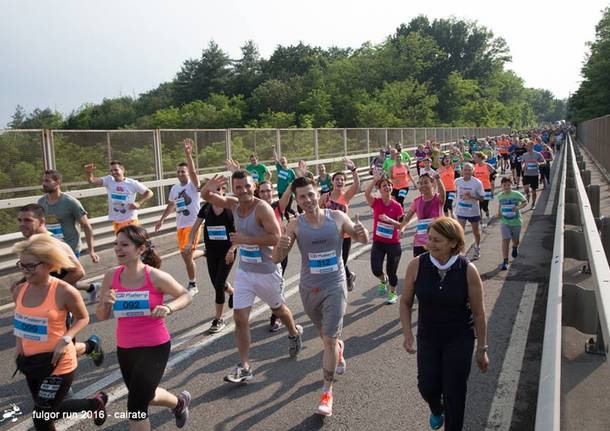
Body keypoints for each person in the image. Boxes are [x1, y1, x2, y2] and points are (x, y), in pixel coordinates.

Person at [272, 176, 369, 417]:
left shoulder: (336, 217)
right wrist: (280, 245)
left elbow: (358, 237)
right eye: (301, 196)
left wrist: (362, 232)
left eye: (310, 194)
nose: (307, 200)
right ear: (297, 199)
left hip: (335, 285)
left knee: (327, 340)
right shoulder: (294, 224)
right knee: (326, 336)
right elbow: (276, 258)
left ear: (319, 193)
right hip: (309, 289)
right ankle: (338, 347)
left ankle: (327, 390)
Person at [201, 170, 303, 384]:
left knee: (278, 309)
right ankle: (245, 366)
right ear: (234, 189)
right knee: (240, 318)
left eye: (247, 186)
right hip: (245, 272)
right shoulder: (234, 204)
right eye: (238, 187)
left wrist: (245, 239)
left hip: (267, 271)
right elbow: (207, 197)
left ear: (253, 186)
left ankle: (294, 332)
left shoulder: (262, 208)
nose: (243, 191)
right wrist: (209, 184)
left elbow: (276, 238)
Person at [95, 226, 192, 430]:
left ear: (140, 249)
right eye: (116, 244)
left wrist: (168, 307)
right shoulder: (111, 276)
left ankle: (177, 404)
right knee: (146, 395)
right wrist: (105, 302)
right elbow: (102, 316)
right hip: (125, 347)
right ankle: (178, 403)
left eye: (124, 245)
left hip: (154, 346)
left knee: (136, 405)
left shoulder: (154, 276)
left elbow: (185, 295)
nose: (118, 249)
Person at [399, 217, 489, 431]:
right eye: (429, 239)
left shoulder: (467, 270)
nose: (430, 244)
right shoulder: (417, 265)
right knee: (427, 387)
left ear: (453, 242)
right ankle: (437, 409)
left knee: (455, 393)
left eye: (437, 240)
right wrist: (407, 334)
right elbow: (405, 301)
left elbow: (478, 313)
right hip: (429, 336)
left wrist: (482, 349)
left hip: (460, 338)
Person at [12, 233, 108, 430]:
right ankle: (93, 404)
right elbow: (21, 323)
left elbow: (83, 317)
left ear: (48, 264)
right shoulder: (19, 290)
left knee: (41, 417)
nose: (26, 271)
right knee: (48, 410)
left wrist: (66, 338)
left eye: (31, 266)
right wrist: (18, 350)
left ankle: (93, 404)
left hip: (58, 364)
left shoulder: (64, 291)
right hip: (30, 363)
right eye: (22, 266)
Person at [16, 204, 104, 366]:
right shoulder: (31, 243)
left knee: (59, 348)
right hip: (40, 305)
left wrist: (53, 293)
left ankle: (86, 350)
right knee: (46, 347)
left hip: (58, 307)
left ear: (41, 221)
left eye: (28, 220)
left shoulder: (53, 244)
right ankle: (89, 348)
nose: (22, 224)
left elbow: (78, 272)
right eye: (20, 220)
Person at [38, 169, 101, 302]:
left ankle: (68, 311)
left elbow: (86, 226)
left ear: (58, 182)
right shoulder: (41, 203)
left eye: (47, 181)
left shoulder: (70, 202)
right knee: (59, 281)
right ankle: (91, 288)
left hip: (70, 249)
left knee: (61, 283)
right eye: (43, 181)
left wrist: (91, 250)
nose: (44, 184)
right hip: (51, 249)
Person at [154, 139, 204, 295]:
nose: (181, 173)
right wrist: (162, 219)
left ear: (187, 173)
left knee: (187, 254)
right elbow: (171, 205)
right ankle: (203, 252)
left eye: (183, 171)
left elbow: (195, 173)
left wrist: (188, 155)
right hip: (180, 225)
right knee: (185, 256)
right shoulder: (175, 188)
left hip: (193, 224)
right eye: (179, 172)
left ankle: (193, 284)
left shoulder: (192, 185)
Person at [186, 180, 235, 334]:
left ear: (223, 191)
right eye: (212, 190)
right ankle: (233, 292)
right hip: (212, 252)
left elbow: (239, 233)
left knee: (219, 284)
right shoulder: (206, 208)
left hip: (227, 252)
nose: (215, 192)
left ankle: (218, 319)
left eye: (218, 189)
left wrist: (232, 249)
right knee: (216, 283)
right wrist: (189, 242)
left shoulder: (229, 209)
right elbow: (195, 227)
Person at [256, 180, 292, 332]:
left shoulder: (278, 206)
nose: (266, 194)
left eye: (268, 190)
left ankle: (276, 316)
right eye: (262, 191)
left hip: (279, 251)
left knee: (277, 285)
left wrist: (294, 181)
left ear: (273, 192)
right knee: (264, 286)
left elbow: (288, 194)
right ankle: (278, 310)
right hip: (262, 254)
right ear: (258, 193)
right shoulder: (255, 208)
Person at [320, 158, 360, 291]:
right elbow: (316, 211)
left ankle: (343, 283)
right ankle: (346, 278)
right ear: (332, 182)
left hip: (344, 235)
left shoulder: (345, 196)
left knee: (341, 261)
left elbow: (357, 186)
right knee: (335, 262)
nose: (339, 181)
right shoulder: (325, 197)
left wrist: (353, 170)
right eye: (337, 179)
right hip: (328, 234)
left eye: (342, 180)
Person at [364, 171, 404, 305]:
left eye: (388, 185)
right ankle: (383, 280)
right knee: (376, 269)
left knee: (391, 272)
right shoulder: (376, 202)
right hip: (378, 242)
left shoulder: (397, 206)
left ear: (392, 188)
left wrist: (389, 220)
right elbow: (366, 194)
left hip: (393, 243)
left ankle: (392, 293)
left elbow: (401, 225)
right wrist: (374, 180)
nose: (387, 187)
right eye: (384, 186)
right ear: (380, 189)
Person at [85, 160, 154, 234]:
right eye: (111, 171)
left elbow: (149, 193)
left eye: (116, 170)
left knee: (131, 242)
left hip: (130, 220)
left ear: (123, 170)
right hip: (116, 220)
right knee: (123, 242)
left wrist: (139, 203)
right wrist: (89, 172)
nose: (113, 172)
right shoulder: (109, 180)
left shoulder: (132, 183)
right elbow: (92, 181)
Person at [401, 173, 446, 257]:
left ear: (432, 183)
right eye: (420, 183)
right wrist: (402, 228)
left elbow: (443, 194)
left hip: (437, 241)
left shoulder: (438, 198)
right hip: (420, 242)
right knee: (419, 267)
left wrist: (438, 180)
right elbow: (407, 219)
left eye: (426, 182)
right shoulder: (416, 201)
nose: (423, 185)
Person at [453, 164, 485, 260]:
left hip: (473, 211)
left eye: (469, 170)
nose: (467, 172)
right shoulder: (457, 181)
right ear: (461, 171)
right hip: (461, 211)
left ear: (472, 171)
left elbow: (482, 198)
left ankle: (477, 248)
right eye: (465, 170)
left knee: (476, 232)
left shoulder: (477, 183)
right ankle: (461, 252)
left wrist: (472, 196)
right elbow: (455, 193)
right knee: (460, 232)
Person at [496, 176, 527, 270]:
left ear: (511, 185)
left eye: (508, 185)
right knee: (505, 239)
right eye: (504, 185)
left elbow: (525, 202)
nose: (506, 187)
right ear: (501, 186)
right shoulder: (500, 196)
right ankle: (505, 261)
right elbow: (500, 205)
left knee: (516, 240)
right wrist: (498, 213)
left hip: (516, 222)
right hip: (504, 221)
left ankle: (514, 247)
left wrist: (518, 207)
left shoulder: (516, 194)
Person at [272, 147, 297, 220]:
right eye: (281, 160)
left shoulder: (291, 171)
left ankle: (296, 214)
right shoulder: (279, 168)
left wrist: (295, 192)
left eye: (283, 159)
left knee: (288, 208)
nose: (282, 161)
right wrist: (273, 150)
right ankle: (288, 221)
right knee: (283, 208)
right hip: (280, 192)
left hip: (288, 193)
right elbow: (275, 158)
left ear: (286, 161)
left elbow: (294, 181)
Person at [520, 141, 546, 210]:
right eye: (526, 146)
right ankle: (528, 195)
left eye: (528, 146)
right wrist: (523, 167)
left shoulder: (538, 154)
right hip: (526, 174)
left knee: (534, 191)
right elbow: (522, 162)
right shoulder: (525, 155)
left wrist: (539, 163)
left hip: (534, 174)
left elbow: (544, 161)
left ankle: (533, 204)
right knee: (526, 189)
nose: (527, 147)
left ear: (532, 146)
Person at [473, 152, 496, 221]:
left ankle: (487, 213)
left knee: (484, 206)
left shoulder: (487, 165)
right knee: (478, 206)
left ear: (480, 158)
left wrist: (493, 180)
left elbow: (495, 173)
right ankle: (480, 222)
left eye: (475, 157)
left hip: (486, 188)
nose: (474, 159)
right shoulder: (474, 166)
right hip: (477, 189)